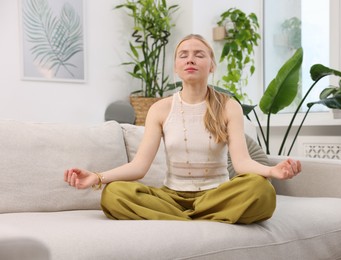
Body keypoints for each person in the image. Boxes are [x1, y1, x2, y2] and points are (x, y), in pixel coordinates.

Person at [64, 34, 301, 224]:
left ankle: (181, 221)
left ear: (211, 66)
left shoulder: (230, 107)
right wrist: (97, 177)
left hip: (216, 195)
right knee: (114, 194)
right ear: (176, 67)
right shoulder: (160, 109)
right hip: (171, 197)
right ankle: (198, 219)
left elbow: (241, 164)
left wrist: (272, 172)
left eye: (199, 55)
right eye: (183, 55)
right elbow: (139, 167)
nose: (190, 60)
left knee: (261, 190)